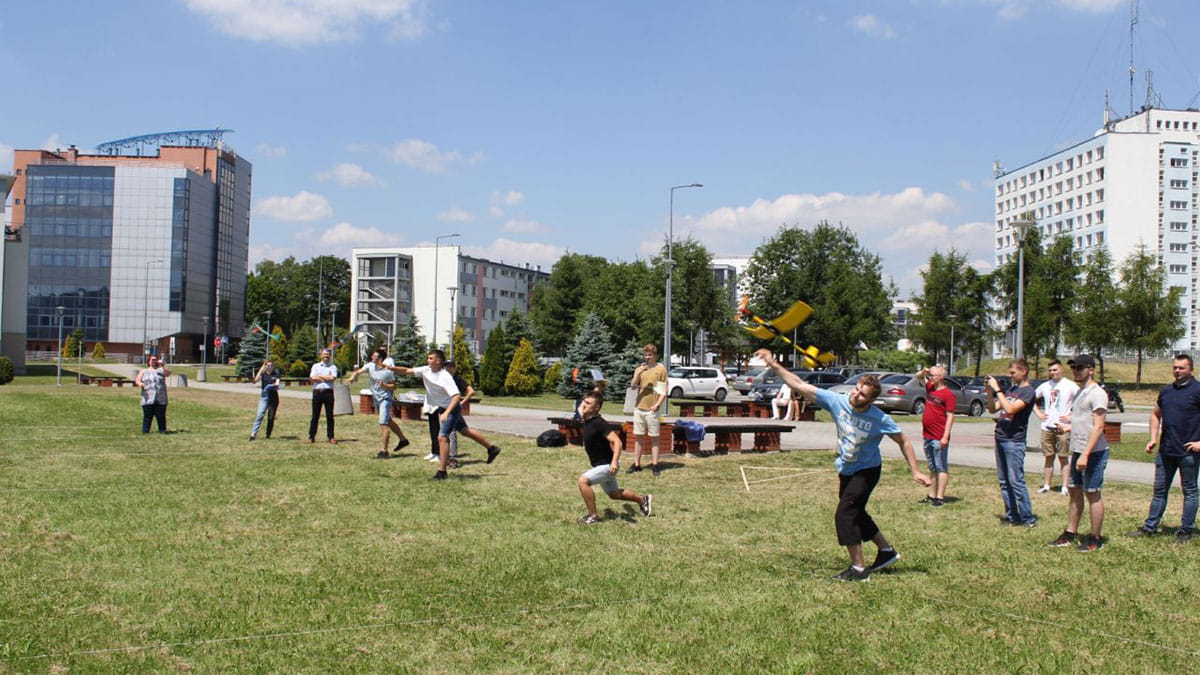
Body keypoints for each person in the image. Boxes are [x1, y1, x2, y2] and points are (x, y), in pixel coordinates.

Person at [757, 348, 930, 582]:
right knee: (856, 511)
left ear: (871, 400)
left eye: (862, 395)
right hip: (846, 468)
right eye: (856, 390)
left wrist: (915, 470)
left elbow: (904, 441)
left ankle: (859, 569)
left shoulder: (879, 418)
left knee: (845, 514)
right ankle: (886, 551)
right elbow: (799, 384)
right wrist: (773, 364)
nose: (855, 396)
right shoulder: (838, 401)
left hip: (867, 471)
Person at [391, 349, 500, 480]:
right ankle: (492, 448)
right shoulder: (426, 370)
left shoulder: (445, 376)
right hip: (444, 408)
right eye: (428, 358)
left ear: (438, 361)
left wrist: (446, 413)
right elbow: (406, 371)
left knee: (442, 437)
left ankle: (442, 472)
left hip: (451, 408)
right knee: (465, 431)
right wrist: (389, 367)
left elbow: (456, 396)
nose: (428, 360)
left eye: (431, 358)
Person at [1128, 354, 1200, 544]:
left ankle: (1186, 530)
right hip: (1166, 451)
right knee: (1159, 491)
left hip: (1188, 453)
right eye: (1175, 367)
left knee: (1190, 491)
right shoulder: (1166, 391)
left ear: (1190, 369)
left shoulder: (1198, 390)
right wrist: (1152, 438)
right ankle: (1149, 528)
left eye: (1181, 368)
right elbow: (1155, 414)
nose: (1177, 371)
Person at [1048, 355, 1110, 552]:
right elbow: (1083, 420)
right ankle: (1070, 533)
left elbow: (1098, 427)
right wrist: (1067, 427)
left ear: (1091, 369)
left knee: (1092, 492)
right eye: (1074, 368)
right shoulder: (1081, 392)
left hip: (1094, 452)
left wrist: (1085, 454)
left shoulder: (1097, 393)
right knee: (1075, 492)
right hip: (1078, 449)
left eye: (1080, 368)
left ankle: (1095, 538)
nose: (1076, 371)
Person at [575, 383, 653, 524]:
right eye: (584, 402)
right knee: (614, 494)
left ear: (596, 408)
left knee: (583, 481)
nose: (583, 405)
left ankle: (593, 516)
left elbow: (617, 442)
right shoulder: (586, 416)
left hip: (608, 465)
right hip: (603, 464)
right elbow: (582, 406)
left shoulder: (599, 423)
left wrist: (614, 462)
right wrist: (598, 390)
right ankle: (643, 500)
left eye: (588, 403)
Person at [987, 359, 1038, 527]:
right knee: (1004, 481)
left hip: (1014, 441)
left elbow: (1010, 409)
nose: (1011, 376)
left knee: (1016, 480)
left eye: (1013, 373)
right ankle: (1012, 515)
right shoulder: (1012, 390)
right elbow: (993, 408)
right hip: (1001, 437)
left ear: (1023, 372)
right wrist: (989, 391)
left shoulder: (1028, 392)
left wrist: (998, 389)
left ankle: (1027, 517)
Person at [347, 348, 410, 459]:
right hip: (376, 398)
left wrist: (384, 386)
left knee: (383, 424)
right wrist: (353, 377)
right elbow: (358, 371)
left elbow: (394, 386)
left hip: (385, 399)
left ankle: (384, 451)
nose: (372, 357)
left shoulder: (387, 371)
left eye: (374, 356)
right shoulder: (370, 365)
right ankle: (403, 440)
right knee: (388, 421)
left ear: (380, 359)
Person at [1033, 359, 1078, 495]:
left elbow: (1081, 402)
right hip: (1047, 427)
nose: (1053, 373)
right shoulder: (1045, 386)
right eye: (1050, 370)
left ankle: (1065, 487)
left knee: (1063, 457)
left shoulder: (1070, 385)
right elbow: (1031, 399)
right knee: (1048, 457)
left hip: (1062, 428)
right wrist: (1038, 413)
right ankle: (1047, 485)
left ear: (1061, 369)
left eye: (1055, 370)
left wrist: (1071, 417)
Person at [916, 365, 956, 507]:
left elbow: (950, 416)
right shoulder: (931, 388)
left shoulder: (948, 394)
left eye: (933, 376)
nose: (930, 378)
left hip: (939, 436)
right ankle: (932, 495)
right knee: (932, 467)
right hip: (927, 435)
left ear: (941, 377)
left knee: (941, 467)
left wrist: (945, 437)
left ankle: (940, 497)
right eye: (930, 376)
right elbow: (918, 377)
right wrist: (925, 371)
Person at [628, 343, 668, 476]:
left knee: (654, 437)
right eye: (645, 355)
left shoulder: (660, 369)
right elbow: (633, 386)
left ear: (655, 355)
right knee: (638, 437)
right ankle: (637, 464)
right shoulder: (640, 369)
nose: (647, 357)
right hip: (639, 408)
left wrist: (657, 405)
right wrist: (638, 373)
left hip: (652, 409)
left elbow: (663, 391)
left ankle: (655, 465)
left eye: (650, 354)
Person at [442, 360, 474, 469]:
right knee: (460, 430)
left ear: (454, 368)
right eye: (446, 367)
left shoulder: (458, 379)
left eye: (450, 367)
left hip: (454, 409)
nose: (448, 369)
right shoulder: (444, 379)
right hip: (445, 408)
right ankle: (447, 456)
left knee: (451, 432)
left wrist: (462, 402)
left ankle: (452, 458)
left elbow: (471, 391)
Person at [307, 349, 339, 444]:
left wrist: (320, 376)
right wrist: (326, 377)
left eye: (328, 354)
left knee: (330, 416)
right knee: (315, 416)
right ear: (321, 355)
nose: (326, 356)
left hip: (328, 393)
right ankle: (311, 436)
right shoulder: (315, 366)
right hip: (317, 393)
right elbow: (312, 378)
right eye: (325, 354)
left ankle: (331, 437)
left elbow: (333, 378)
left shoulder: (333, 367)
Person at [135, 355, 170, 433]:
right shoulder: (144, 371)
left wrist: (163, 365)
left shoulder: (161, 370)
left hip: (160, 398)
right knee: (147, 416)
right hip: (148, 398)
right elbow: (137, 379)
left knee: (161, 416)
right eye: (152, 360)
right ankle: (145, 431)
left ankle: (162, 430)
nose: (154, 362)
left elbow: (167, 374)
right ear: (149, 361)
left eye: (155, 360)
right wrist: (141, 384)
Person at [249, 358, 281, 441]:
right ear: (265, 366)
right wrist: (261, 369)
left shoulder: (276, 373)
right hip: (264, 397)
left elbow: (277, 383)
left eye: (271, 365)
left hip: (273, 397)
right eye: (268, 365)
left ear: (273, 366)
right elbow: (255, 381)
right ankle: (253, 434)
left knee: (271, 417)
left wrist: (273, 385)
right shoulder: (263, 374)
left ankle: (268, 434)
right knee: (260, 415)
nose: (269, 367)